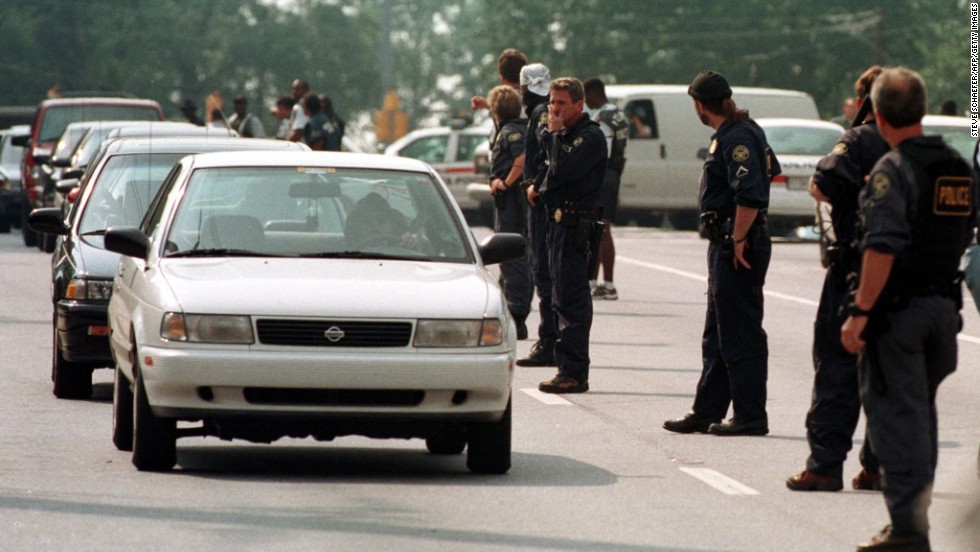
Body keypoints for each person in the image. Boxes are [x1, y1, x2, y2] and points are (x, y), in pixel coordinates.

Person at [841, 67, 977, 552]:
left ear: (878, 116)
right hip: (943, 310)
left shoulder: (893, 169)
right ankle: (912, 520)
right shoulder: (957, 166)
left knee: (897, 422)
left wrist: (860, 312)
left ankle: (907, 528)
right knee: (919, 420)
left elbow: (881, 247)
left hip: (900, 315)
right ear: (920, 108)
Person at [786, 67, 888, 493]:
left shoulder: (860, 139)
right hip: (907, 278)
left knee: (837, 367)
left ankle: (825, 465)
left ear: (865, 101)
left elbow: (822, 184)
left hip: (855, 269)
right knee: (888, 374)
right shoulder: (925, 149)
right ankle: (877, 468)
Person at [663, 70, 780, 436]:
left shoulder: (738, 136)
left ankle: (750, 415)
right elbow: (768, 172)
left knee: (740, 332)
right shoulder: (736, 131)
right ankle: (707, 410)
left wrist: (739, 237)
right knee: (718, 332)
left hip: (738, 242)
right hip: (728, 240)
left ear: (700, 105)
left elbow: (750, 192)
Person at [534, 77, 607, 394]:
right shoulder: (562, 135)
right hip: (557, 224)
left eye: (561, 103)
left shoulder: (589, 137)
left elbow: (562, 170)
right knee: (558, 296)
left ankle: (574, 372)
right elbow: (549, 174)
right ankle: (566, 368)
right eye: (552, 102)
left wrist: (551, 135)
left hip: (576, 227)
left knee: (572, 301)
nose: (554, 109)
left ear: (579, 104)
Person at [516, 63, 557, 368]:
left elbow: (549, 155)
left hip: (541, 204)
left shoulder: (541, 112)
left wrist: (535, 185)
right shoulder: (543, 110)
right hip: (543, 201)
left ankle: (549, 341)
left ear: (524, 88)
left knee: (543, 271)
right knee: (544, 271)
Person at [487, 85, 532, 340]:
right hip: (513, 201)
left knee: (512, 256)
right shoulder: (517, 128)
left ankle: (516, 313)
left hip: (512, 201)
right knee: (511, 256)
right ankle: (511, 310)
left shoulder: (511, 131)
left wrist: (505, 182)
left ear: (497, 110)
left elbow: (522, 158)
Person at [584, 77, 628, 300]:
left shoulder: (603, 118)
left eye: (586, 96)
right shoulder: (618, 115)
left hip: (602, 174)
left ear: (594, 93)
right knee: (600, 230)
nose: (586, 102)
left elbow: (602, 151)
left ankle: (606, 284)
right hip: (613, 173)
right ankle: (596, 281)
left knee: (600, 230)